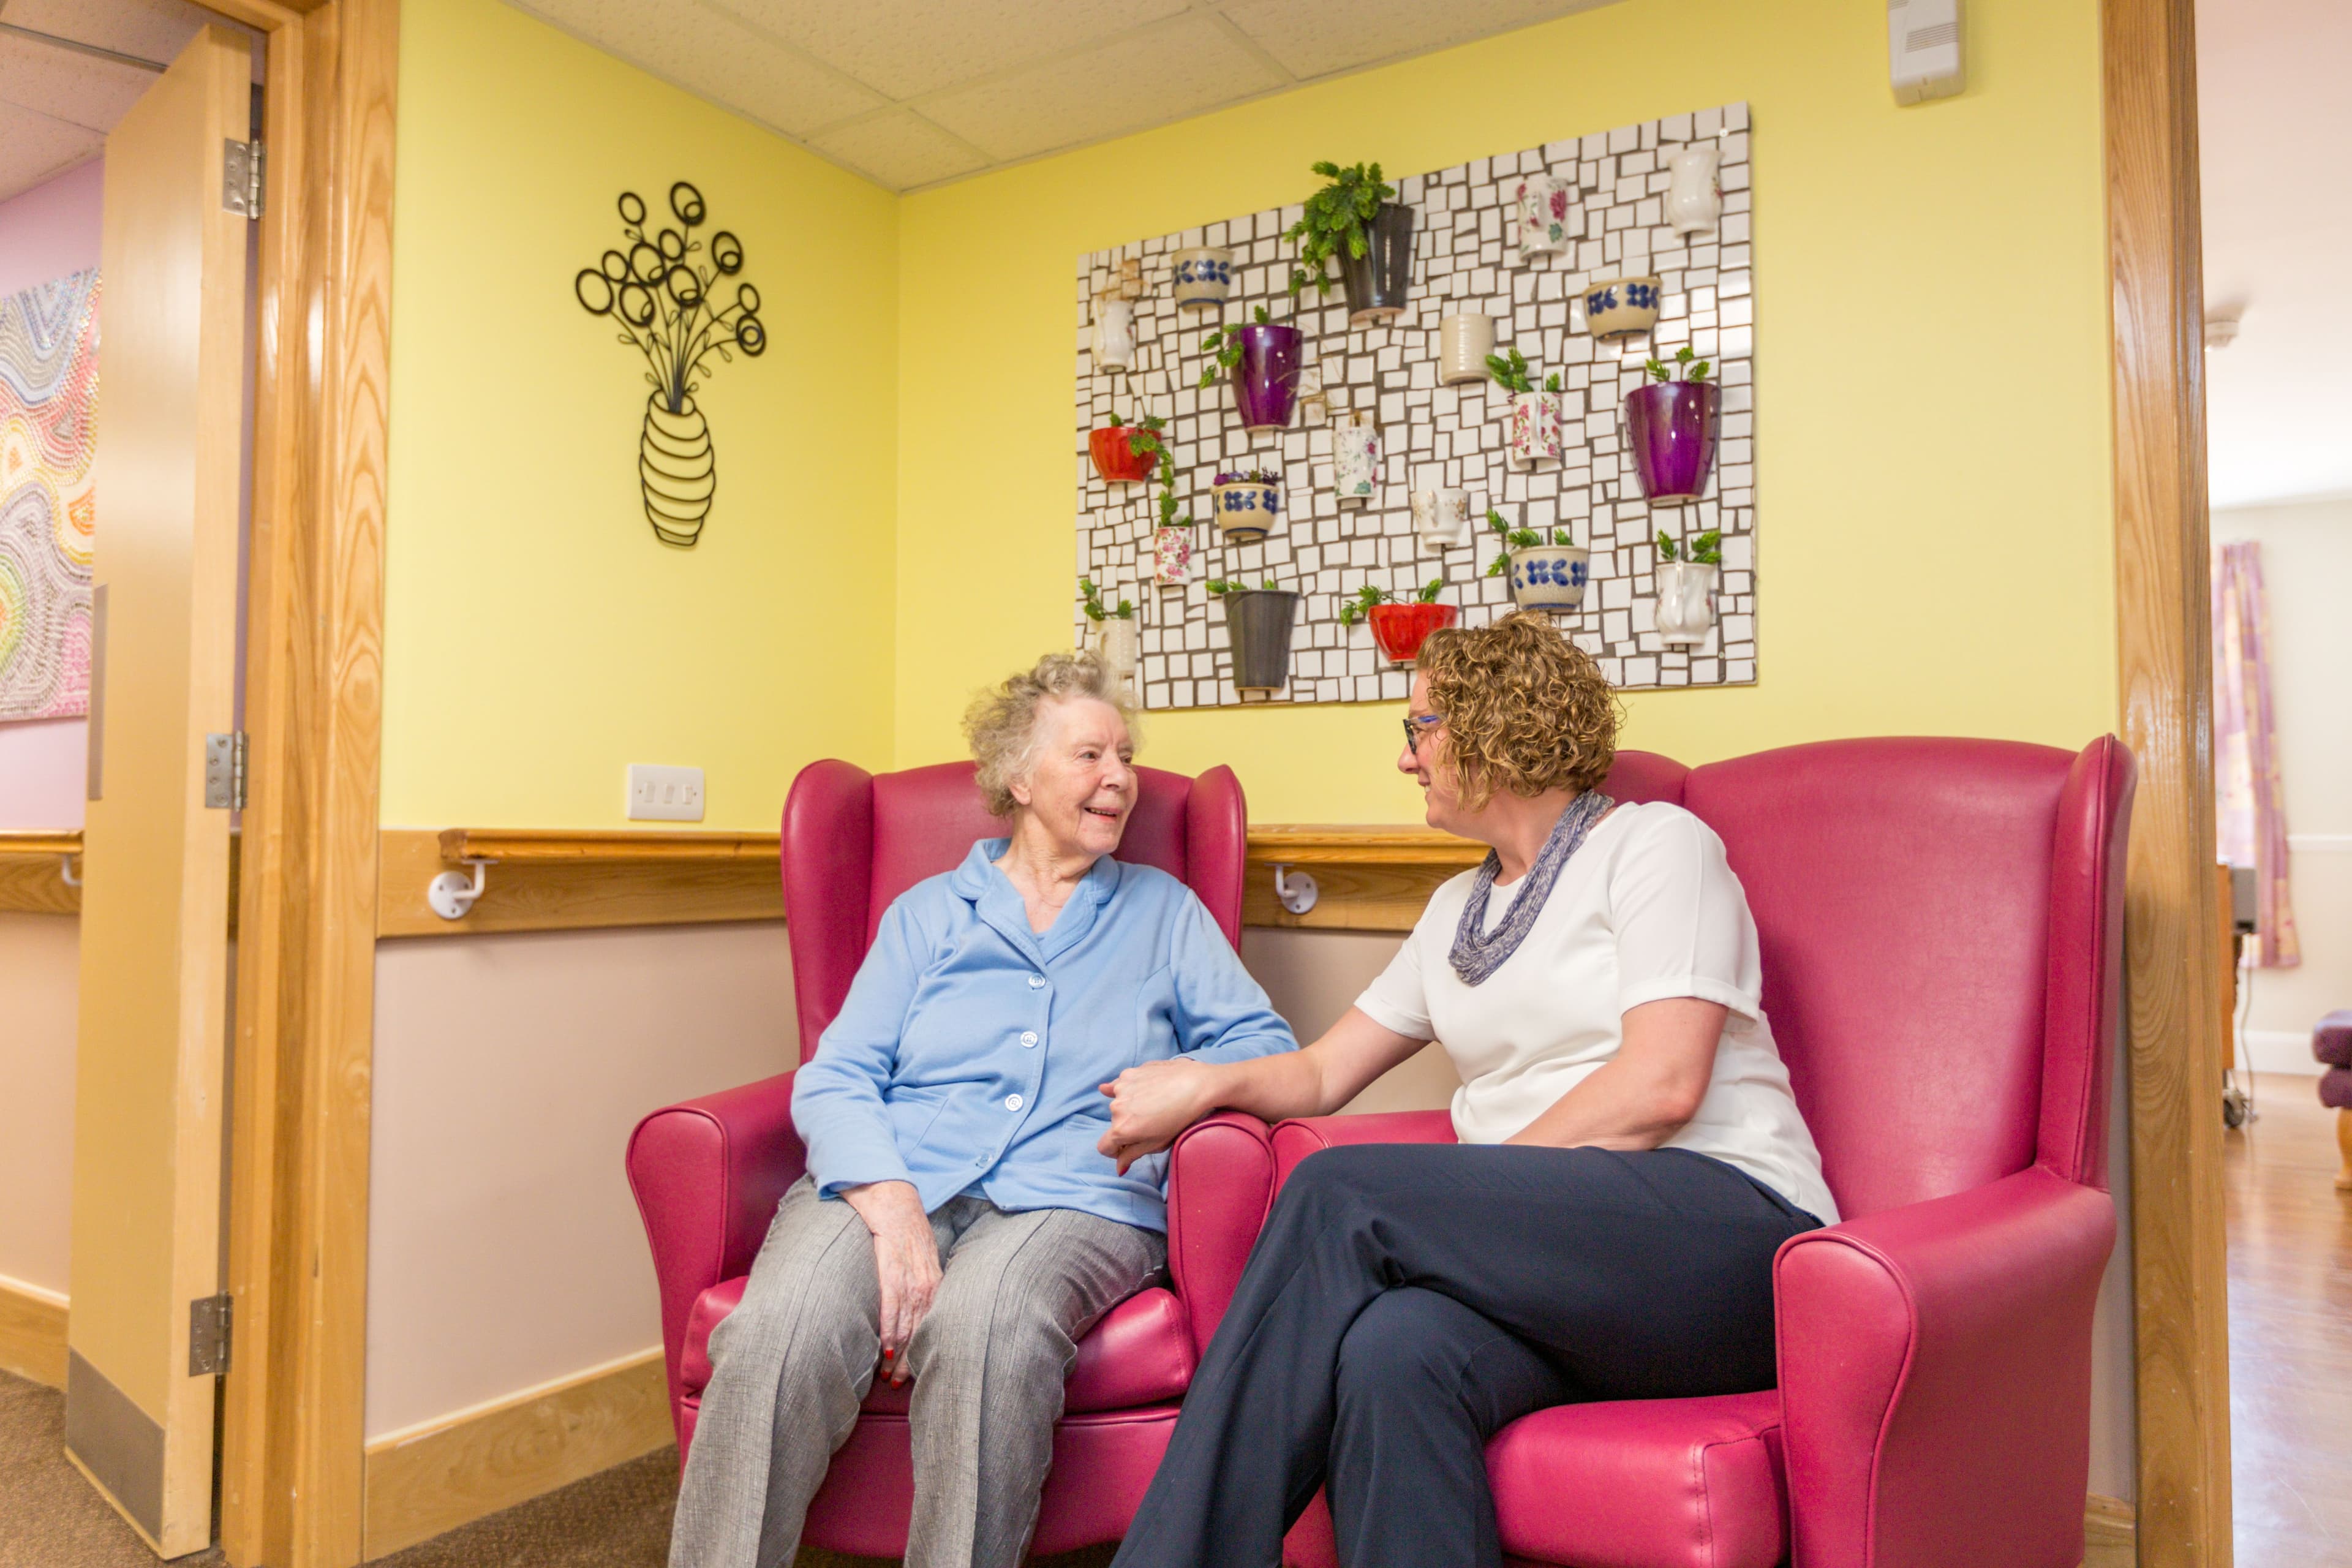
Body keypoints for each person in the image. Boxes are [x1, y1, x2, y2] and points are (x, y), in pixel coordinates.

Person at [1095, 611, 1838, 1568]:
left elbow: (1662, 1082)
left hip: (1728, 1237)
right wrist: (1206, 1083)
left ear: (1493, 727)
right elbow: (1325, 1070)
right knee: (1395, 1352)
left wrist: (1469, 1196)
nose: (1408, 759)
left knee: (1343, 1191)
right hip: (1569, 1265)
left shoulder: (1657, 848)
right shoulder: (1456, 909)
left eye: (1421, 727)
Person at [669, 651, 1297, 1568]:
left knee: (986, 1328)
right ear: (1018, 776)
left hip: (1078, 1193)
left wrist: (1193, 1081)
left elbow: (1266, 1047)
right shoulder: (929, 915)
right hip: (898, 1172)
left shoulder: (1164, 912)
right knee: (778, 1331)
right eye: (1090, 756)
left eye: (1124, 755)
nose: (1119, 777)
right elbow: (840, 1070)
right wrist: (886, 1201)